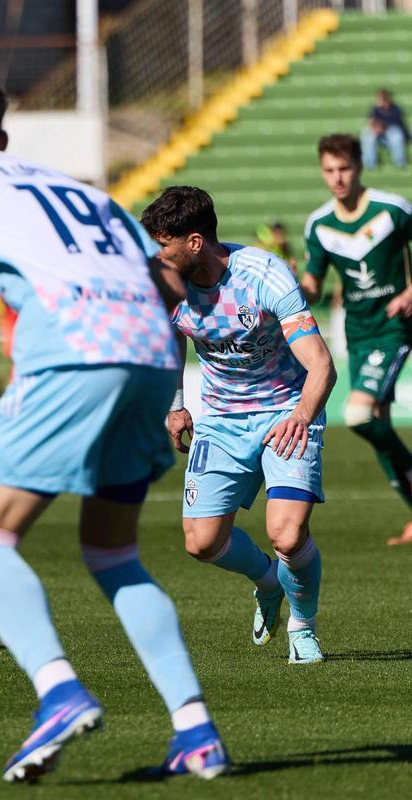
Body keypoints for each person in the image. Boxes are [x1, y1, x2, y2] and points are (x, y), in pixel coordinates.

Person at [0, 74, 227, 783]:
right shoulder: (83, 191)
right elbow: (168, 283)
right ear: (4, 136)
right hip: (152, 355)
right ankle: (196, 730)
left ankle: (58, 690)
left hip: (73, 352)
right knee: (114, 554)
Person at [144, 186, 336, 667]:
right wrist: (176, 405)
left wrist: (301, 416)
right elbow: (172, 338)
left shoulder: (263, 276)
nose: (156, 256)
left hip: (286, 411)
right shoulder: (166, 283)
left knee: (286, 535)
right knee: (201, 542)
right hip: (221, 419)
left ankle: (303, 626)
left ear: (194, 242)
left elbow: (321, 365)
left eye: (163, 245)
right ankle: (268, 583)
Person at [303, 133, 412, 545]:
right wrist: (293, 281)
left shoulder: (391, 209)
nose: (337, 178)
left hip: (394, 326)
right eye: (329, 170)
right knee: (376, 421)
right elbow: (313, 286)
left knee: (359, 415)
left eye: (344, 168)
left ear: (360, 166)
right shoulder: (319, 225)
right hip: (358, 333)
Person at [361, 89, 407, 170]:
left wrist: (383, 127)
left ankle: (400, 162)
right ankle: (369, 164)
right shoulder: (375, 109)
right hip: (378, 131)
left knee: (397, 135)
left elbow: (398, 124)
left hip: (391, 131)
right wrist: (376, 128)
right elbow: (372, 122)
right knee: (368, 136)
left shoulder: (396, 109)